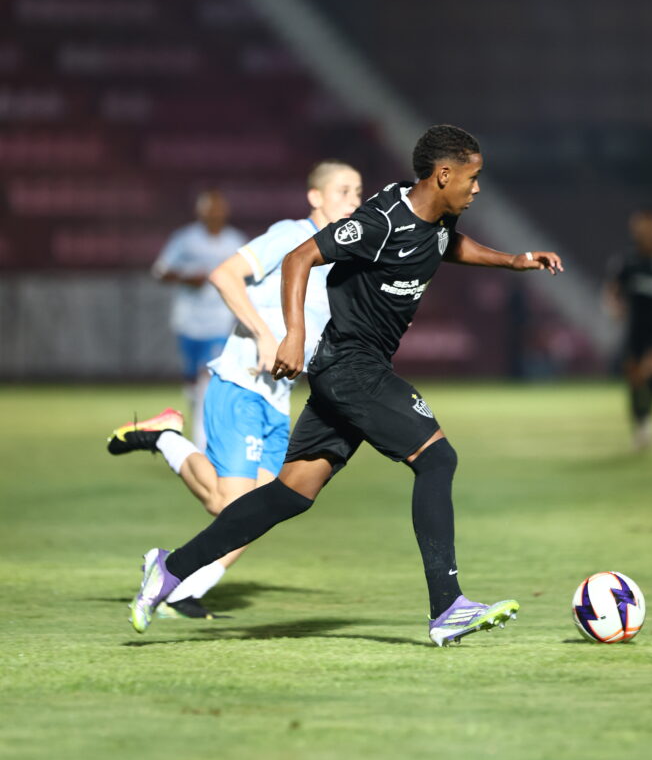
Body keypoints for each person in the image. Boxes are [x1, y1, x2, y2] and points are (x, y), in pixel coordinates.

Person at [128, 124, 563, 645]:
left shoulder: (437, 217)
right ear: (443, 175)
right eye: (472, 178)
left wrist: (513, 260)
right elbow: (299, 257)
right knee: (437, 458)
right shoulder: (380, 221)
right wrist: (293, 336)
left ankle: (170, 570)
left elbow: (447, 245)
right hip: (352, 366)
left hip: (357, 369)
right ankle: (447, 607)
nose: (477, 188)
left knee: (289, 494)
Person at [108, 161, 363, 619]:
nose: (353, 199)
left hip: (278, 400)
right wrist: (265, 335)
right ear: (315, 197)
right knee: (232, 505)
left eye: (358, 191)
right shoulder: (291, 236)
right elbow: (224, 275)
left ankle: (181, 589)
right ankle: (165, 439)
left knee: (258, 512)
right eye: (343, 190)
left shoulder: (344, 260)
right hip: (239, 384)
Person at [152, 189, 246, 449]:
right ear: (199, 211)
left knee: (208, 378)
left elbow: (248, 276)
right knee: (193, 384)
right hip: (189, 321)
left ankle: (203, 446)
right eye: (208, 209)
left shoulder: (234, 241)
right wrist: (185, 277)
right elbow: (159, 271)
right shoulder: (185, 239)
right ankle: (198, 417)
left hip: (220, 321)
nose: (214, 213)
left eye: (218, 208)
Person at [604, 209, 652, 450]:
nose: (644, 232)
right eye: (639, 227)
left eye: (648, 226)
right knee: (636, 377)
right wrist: (615, 307)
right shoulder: (627, 260)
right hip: (636, 325)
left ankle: (646, 419)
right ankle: (642, 420)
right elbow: (611, 290)